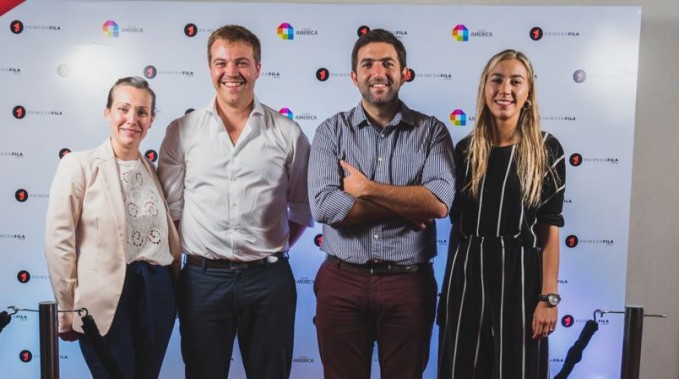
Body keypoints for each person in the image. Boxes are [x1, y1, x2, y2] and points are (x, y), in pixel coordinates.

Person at [157, 24, 312, 379]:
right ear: (210, 68)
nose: (231, 72)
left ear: (258, 68)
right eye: (221, 62)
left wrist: (267, 250)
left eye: (241, 62)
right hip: (202, 281)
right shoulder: (182, 130)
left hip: (269, 281)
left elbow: (301, 210)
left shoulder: (287, 133)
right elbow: (172, 214)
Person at [308, 29, 455, 379]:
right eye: (368, 64)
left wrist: (366, 189)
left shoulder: (432, 132)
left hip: (408, 285)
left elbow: (437, 203)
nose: (378, 72)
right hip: (342, 281)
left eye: (388, 63)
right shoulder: (331, 132)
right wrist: (407, 203)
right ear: (354, 76)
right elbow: (325, 208)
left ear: (404, 73)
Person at [437, 49, 566, 379]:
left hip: (521, 272)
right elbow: (458, 227)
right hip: (467, 271)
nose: (504, 89)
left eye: (515, 81)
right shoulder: (465, 150)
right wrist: (446, 293)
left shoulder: (547, 149)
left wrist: (548, 298)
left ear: (528, 93)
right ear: (484, 87)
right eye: (496, 80)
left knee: (517, 368)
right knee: (459, 367)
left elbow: (550, 226)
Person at [44, 76, 180, 379]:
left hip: (158, 291)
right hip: (104, 298)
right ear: (108, 112)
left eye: (142, 112)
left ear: (151, 119)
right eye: (123, 108)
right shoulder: (78, 165)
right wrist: (66, 308)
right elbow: (59, 242)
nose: (132, 119)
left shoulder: (154, 171)